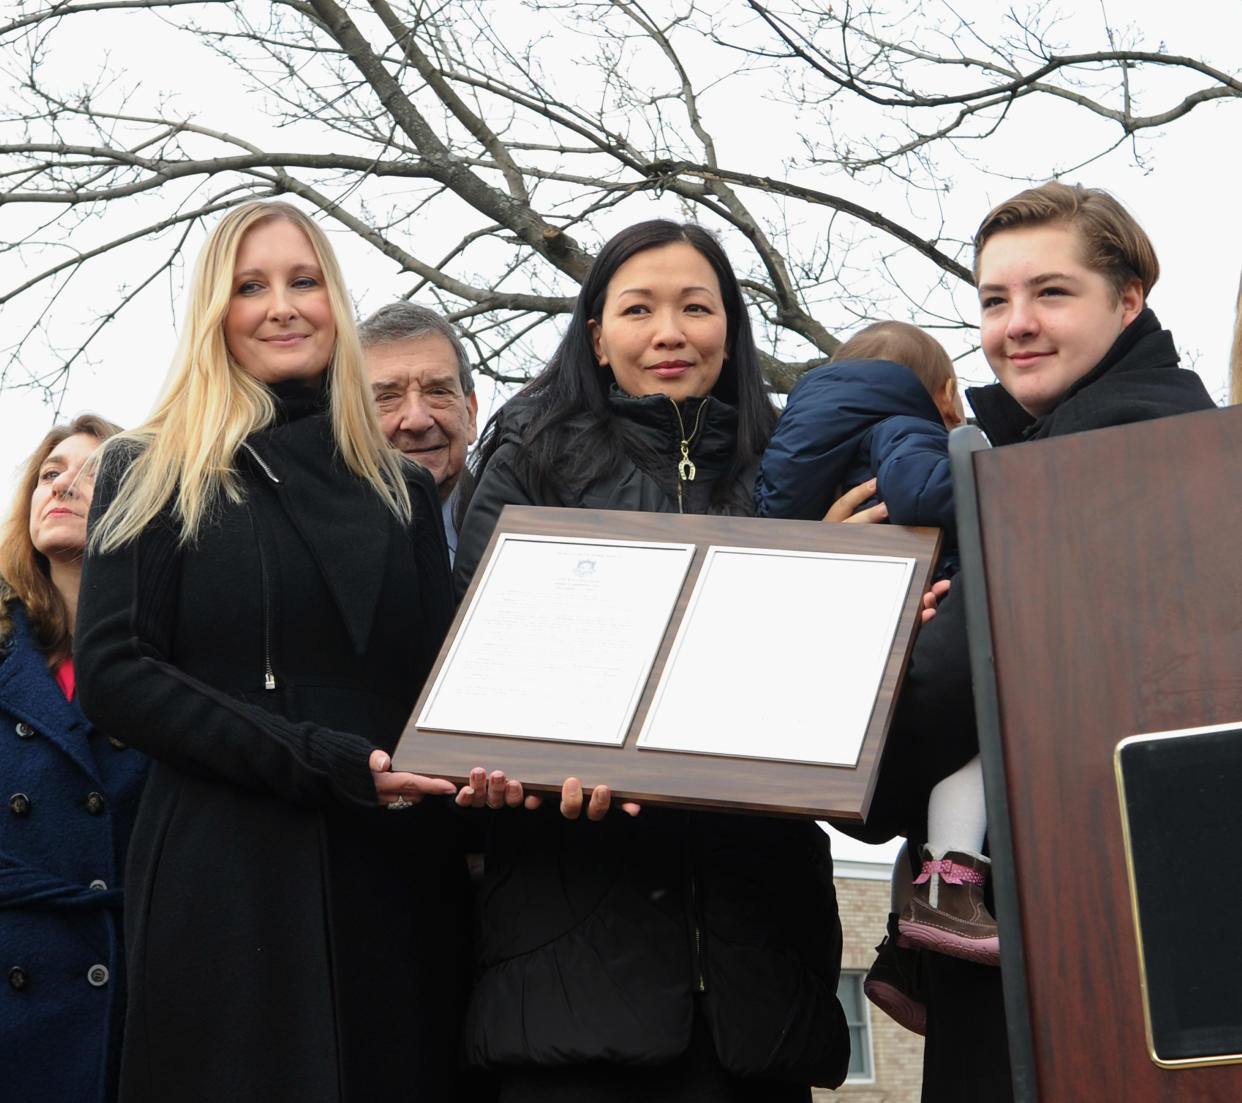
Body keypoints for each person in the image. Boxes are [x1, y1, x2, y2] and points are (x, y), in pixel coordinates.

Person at [74, 201, 475, 1102]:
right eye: (251, 286)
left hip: (390, 873)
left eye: (303, 281)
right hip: (223, 869)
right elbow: (116, 674)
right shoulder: (152, 468)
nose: (282, 305)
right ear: (216, 311)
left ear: (334, 300)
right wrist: (319, 758)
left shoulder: (402, 490)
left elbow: (437, 690)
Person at [453, 219, 852, 1102]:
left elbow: (833, 691)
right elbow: (478, 658)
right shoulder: (529, 455)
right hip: (570, 977)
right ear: (596, 335)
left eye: (694, 307)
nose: (668, 331)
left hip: (756, 985)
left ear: (731, 327)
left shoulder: (795, 470)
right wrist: (545, 763)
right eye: (638, 308)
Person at [860, 181, 1215, 1102]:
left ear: (1128, 298)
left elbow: (947, 684)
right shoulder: (1065, 443)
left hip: (1074, 949)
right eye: (992, 300)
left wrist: (862, 676)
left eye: (1051, 293)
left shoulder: (1106, 449)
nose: (1015, 324)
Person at [0, 414, 146, 1103]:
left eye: (93, 472)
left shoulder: (176, 659)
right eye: (50, 473)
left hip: (138, 989)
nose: (63, 484)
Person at [360, 301, 479, 562]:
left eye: (438, 391)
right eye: (388, 397)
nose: (417, 420)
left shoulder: (530, 535)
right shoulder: (315, 549)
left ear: (470, 416)